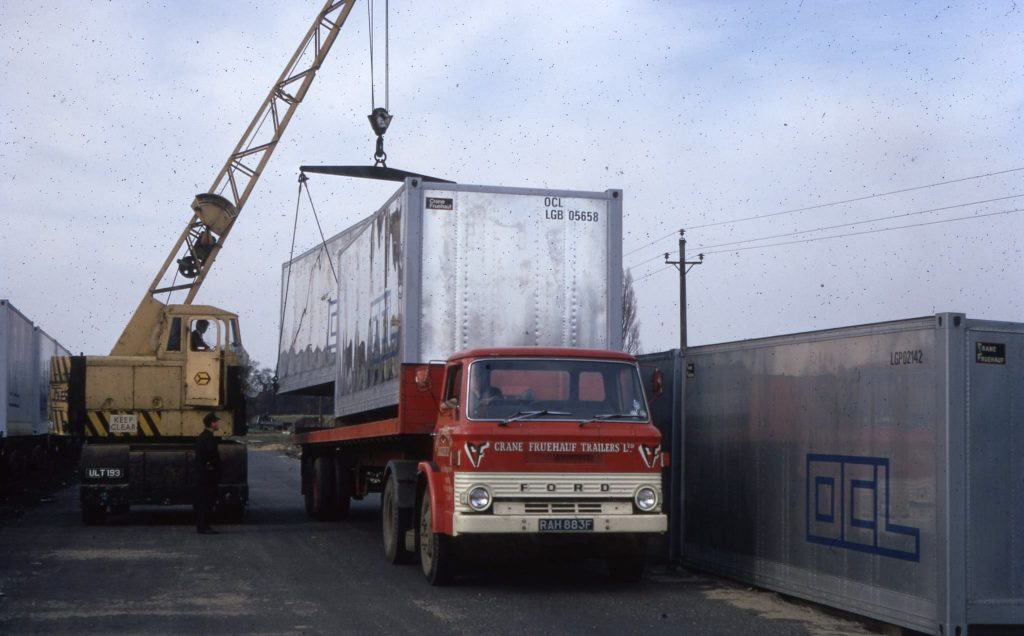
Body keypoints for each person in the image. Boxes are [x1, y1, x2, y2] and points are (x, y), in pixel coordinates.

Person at [194, 412, 222, 534]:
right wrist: (216, 467)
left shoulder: (203, 437)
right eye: (216, 422)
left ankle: (203, 525)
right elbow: (212, 456)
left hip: (203, 473)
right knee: (207, 500)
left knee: (203, 499)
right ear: (212, 423)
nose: (218, 424)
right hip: (207, 475)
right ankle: (204, 525)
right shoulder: (208, 438)